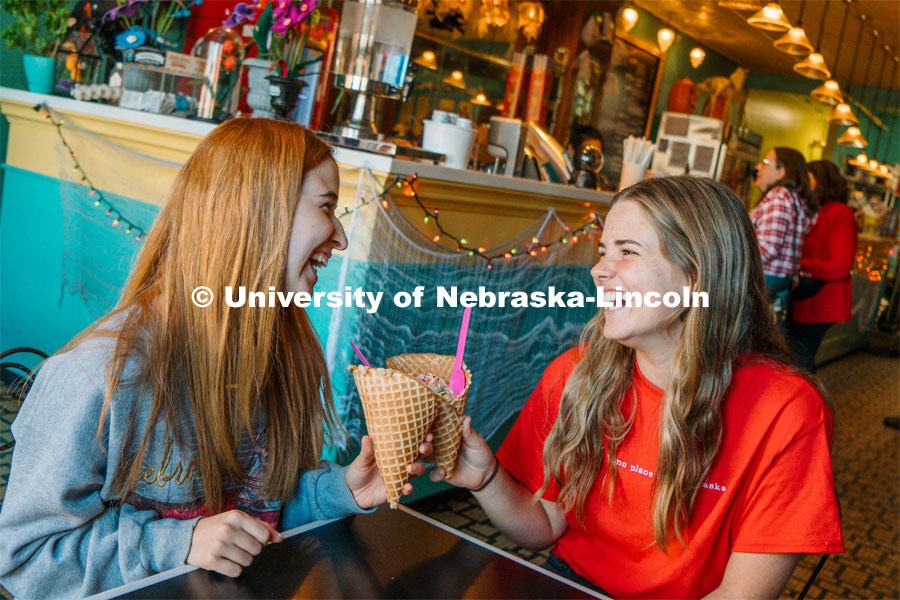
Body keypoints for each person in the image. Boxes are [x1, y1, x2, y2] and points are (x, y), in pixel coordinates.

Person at [0, 119, 430, 598]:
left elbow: (254, 514)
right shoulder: (95, 378)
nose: (340, 237)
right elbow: (24, 557)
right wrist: (176, 544)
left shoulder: (281, 356)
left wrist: (339, 492)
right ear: (257, 213)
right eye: (327, 207)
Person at [427, 176, 843, 598]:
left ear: (697, 278)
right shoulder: (575, 374)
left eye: (627, 252)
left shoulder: (787, 410)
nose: (599, 269)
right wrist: (486, 479)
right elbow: (547, 524)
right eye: (604, 251)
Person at [788, 160, 858, 373]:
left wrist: (799, 264)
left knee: (801, 362)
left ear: (823, 182)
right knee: (793, 359)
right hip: (802, 296)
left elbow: (841, 266)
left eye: (809, 179)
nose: (803, 185)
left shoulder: (842, 213)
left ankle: (804, 404)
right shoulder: (807, 208)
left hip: (821, 302)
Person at [751, 147, 816, 325]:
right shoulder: (796, 200)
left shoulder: (778, 196)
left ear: (781, 171)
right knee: (768, 336)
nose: (759, 167)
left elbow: (769, 248)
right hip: (783, 282)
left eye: (765, 163)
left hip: (765, 279)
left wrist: (735, 260)